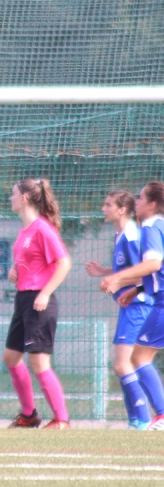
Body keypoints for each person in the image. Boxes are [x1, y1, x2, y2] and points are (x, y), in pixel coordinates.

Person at [3, 178, 72, 430]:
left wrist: (45, 293)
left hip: (39, 302)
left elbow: (64, 263)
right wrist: (15, 271)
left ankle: (61, 420)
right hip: (23, 299)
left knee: (39, 362)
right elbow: (30, 263)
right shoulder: (25, 230)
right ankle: (29, 415)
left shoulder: (43, 228)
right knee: (11, 357)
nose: (10, 198)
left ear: (24, 199)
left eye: (13, 193)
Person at [85, 190, 154, 429]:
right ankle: (135, 419)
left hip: (139, 306)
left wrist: (116, 281)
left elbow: (146, 274)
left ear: (122, 209)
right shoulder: (121, 233)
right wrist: (106, 272)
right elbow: (128, 268)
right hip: (130, 307)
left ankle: (144, 419)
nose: (103, 209)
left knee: (124, 364)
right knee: (126, 365)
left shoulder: (132, 235)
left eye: (108, 205)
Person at [100, 181, 164, 430]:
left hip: (156, 304)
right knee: (138, 357)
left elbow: (152, 266)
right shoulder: (155, 226)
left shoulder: (150, 227)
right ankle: (147, 418)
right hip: (152, 300)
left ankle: (154, 417)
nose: (136, 202)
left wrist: (117, 278)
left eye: (140, 198)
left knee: (135, 359)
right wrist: (136, 288)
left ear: (152, 204)